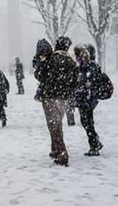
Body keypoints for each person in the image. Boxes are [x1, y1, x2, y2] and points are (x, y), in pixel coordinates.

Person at [34, 36, 78, 166]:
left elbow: (40, 76)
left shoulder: (51, 59)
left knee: (54, 126)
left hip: (50, 98)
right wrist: (67, 91)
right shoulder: (71, 61)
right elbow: (76, 82)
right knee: (56, 124)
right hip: (64, 98)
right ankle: (55, 149)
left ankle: (62, 154)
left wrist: (40, 63)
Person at [73, 44, 103, 156]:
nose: (78, 57)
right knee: (85, 122)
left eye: (80, 55)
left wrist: (90, 99)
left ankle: (94, 146)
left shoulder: (91, 66)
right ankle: (95, 142)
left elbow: (92, 84)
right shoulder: (81, 66)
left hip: (88, 100)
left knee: (88, 123)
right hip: (83, 99)